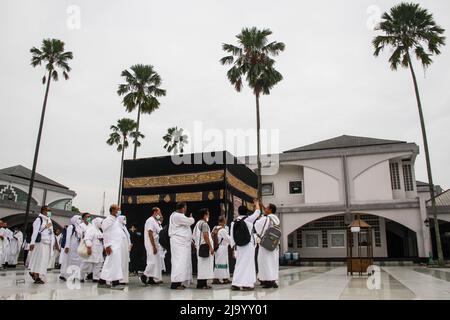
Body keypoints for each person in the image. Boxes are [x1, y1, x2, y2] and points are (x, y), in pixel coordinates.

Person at [230, 199, 262, 291]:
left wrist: (233, 247)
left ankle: (235, 284)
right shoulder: (249, 219)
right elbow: (258, 212)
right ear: (246, 212)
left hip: (239, 246)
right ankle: (247, 284)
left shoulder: (234, 222)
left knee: (239, 264)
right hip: (248, 245)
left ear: (238, 212)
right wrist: (256, 203)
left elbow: (232, 236)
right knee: (248, 264)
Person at [169, 202, 195, 290]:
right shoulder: (177, 216)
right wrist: (191, 217)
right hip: (179, 243)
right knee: (179, 262)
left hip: (183, 244)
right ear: (183, 208)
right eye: (185, 207)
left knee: (183, 262)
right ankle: (175, 283)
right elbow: (190, 221)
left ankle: (183, 281)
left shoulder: (177, 215)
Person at [98, 205, 124, 290]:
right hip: (111, 245)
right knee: (113, 264)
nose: (119, 211)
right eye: (118, 209)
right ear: (113, 210)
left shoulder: (116, 220)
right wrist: (107, 246)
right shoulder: (108, 220)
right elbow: (106, 233)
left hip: (116, 245)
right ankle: (115, 283)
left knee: (109, 264)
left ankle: (102, 281)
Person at [254, 203, 280, 289]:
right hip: (274, 244)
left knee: (264, 262)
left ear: (270, 210)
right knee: (273, 263)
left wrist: (259, 219)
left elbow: (257, 226)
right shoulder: (276, 219)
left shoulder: (266, 218)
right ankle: (273, 280)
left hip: (265, 244)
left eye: (267, 208)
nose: (265, 209)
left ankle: (267, 281)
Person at [28, 206, 54, 284]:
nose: (50, 212)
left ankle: (35, 273)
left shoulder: (49, 220)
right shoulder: (39, 219)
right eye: (48, 210)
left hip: (47, 243)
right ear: (43, 211)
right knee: (38, 260)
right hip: (40, 243)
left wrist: (52, 243)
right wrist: (32, 243)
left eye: (50, 210)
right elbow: (35, 232)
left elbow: (51, 232)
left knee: (43, 261)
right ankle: (36, 276)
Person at [141, 207, 164, 285]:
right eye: (159, 212)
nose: (160, 214)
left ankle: (151, 279)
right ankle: (144, 275)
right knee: (152, 262)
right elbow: (150, 233)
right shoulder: (150, 220)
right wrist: (153, 246)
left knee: (156, 262)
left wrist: (160, 217)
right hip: (151, 244)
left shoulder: (156, 221)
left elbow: (161, 221)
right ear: (155, 212)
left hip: (156, 244)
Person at [193, 208, 215, 289]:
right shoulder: (204, 224)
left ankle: (203, 283)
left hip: (200, 247)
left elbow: (194, 236)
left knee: (202, 265)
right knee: (204, 266)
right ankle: (201, 284)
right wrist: (211, 247)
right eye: (208, 214)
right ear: (205, 215)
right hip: (205, 247)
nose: (208, 216)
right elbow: (205, 236)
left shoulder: (197, 224)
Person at [80, 217, 104, 282]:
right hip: (91, 250)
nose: (102, 224)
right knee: (86, 264)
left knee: (98, 264)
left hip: (98, 251)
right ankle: (80, 277)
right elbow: (87, 239)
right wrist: (89, 248)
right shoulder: (91, 229)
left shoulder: (98, 230)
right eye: (101, 223)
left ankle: (96, 278)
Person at [59, 215, 82, 281]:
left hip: (77, 247)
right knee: (68, 261)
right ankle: (66, 274)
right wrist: (67, 246)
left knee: (76, 261)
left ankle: (75, 275)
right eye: (78, 219)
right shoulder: (71, 227)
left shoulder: (79, 227)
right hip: (71, 246)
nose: (80, 220)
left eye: (80, 219)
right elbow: (68, 237)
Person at [212, 216, 231, 284]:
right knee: (223, 263)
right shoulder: (222, 230)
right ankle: (221, 278)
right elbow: (228, 239)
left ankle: (219, 278)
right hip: (222, 248)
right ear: (223, 221)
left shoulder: (215, 228)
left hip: (217, 248)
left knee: (218, 263)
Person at [117, 215, 131, 285]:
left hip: (125, 248)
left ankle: (124, 279)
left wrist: (130, 244)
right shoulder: (117, 227)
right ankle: (119, 279)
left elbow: (128, 236)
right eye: (123, 219)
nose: (125, 220)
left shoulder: (124, 227)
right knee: (121, 263)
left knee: (125, 263)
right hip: (120, 248)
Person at [79, 212, 93, 280]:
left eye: (89, 216)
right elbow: (80, 235)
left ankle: (89, 274)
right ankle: (81, 276)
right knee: (83, 261)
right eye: (87, 217)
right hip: (83, 244)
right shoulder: (81, 225)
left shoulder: (91, 225)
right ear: (83, 218)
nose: (89, 218)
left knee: (89, 261)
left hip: (90, 244)